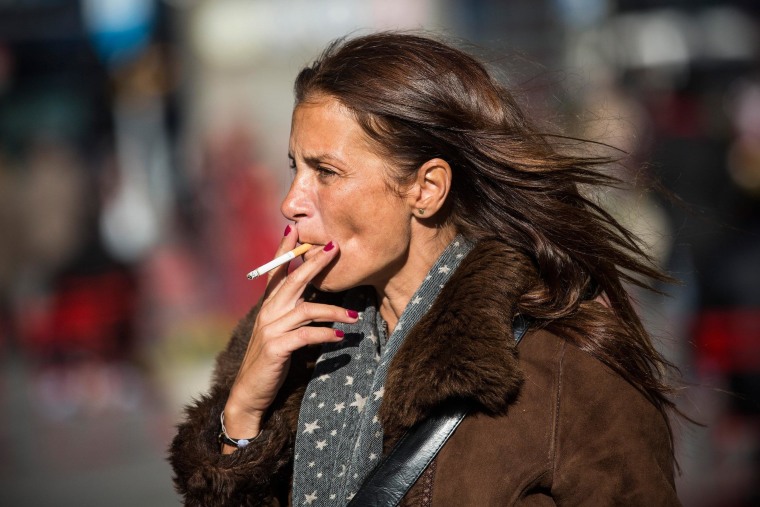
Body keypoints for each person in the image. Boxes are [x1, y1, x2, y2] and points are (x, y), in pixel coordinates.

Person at [169, 32, 681, 506]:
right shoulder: (288, 353)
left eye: (326, 171)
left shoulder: (566, 365)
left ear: (427, 189)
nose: (290, 202)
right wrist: (242, 414)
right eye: (294, 168)